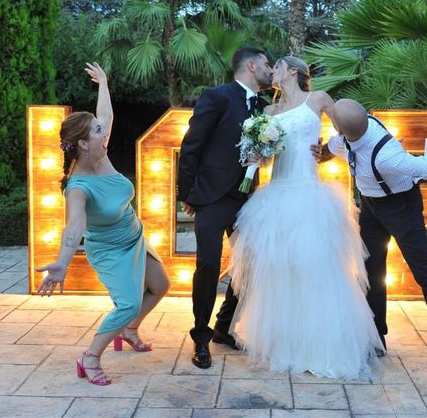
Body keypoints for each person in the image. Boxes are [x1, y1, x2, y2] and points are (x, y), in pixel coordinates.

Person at [228, 57, 385, 380]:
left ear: (293, 70)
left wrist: (329, 150)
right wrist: (258, 153)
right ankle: (287, 345)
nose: (272, 70)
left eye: (278, 65)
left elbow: (354, 129)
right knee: (280, 271)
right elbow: (263, 156)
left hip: (310, 195)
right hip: (277, 195)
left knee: (316, 268)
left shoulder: (319, 99)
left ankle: (324, 346)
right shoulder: (268, 113)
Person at [36, 63, 171, 386]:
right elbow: (74, 228)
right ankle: (90, 357)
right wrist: (62, 264)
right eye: (97, 131)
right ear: (82, 143)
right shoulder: (78, 187)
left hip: (135, 237)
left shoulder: (100, 154)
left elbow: (105, 115)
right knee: (127, 303)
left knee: (161, 285)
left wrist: (104, 84)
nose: (104, 132)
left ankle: (130, 329)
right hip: (109, 250)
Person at [316, 98, 427, 375]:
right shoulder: (346, 138)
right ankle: (377, 338)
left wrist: (420, 174)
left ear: (338, 127)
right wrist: (317, 152)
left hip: (402, 208)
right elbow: (331, 150)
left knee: (425, 274)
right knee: (372, 270)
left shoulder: (388, 156)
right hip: (371, 208)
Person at [177, 47, 273, 369]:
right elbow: (191, 146)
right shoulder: (217, 97)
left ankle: (223, 325)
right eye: (266, 65)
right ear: (250, 65)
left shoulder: (264, 107)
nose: (270, 70)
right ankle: (201, 339)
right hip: (212, 197)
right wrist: (187, 193)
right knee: (208, 266)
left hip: (248, 199)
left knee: (251, 264)